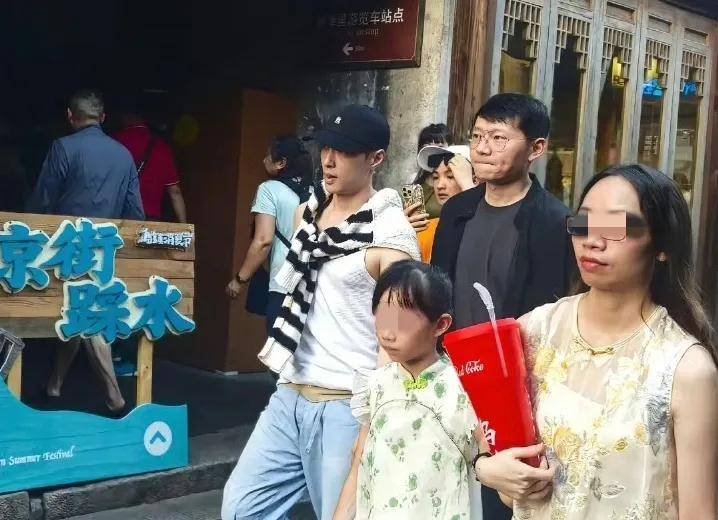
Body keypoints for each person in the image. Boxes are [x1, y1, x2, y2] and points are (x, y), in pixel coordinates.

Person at [474, 164, 718, 519]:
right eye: (583, 223)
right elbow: (490, 445)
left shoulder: (685, 367)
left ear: (662, 246)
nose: (592, 240)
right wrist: (487, 468)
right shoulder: (534, 331)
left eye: (616, 227)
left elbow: (699, 512)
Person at [221, 105, 420, 520]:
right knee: (242, 508)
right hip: (290, 392)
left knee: (342, 514)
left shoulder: (390, 236)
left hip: (346, 405)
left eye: (343, 151)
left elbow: (397, 341)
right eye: (326, 148)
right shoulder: (306, 216)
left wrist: (372, 423)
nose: (329, 160)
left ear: (376, 158)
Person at [431, 93, 574, 519]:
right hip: (451, 377)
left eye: (498, 137)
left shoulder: (555, 221)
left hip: (514, 387)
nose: (483, 148)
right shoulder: (457, 211)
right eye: (477, 137)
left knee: (501, 500)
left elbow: (555, 310)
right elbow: (437, 289)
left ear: (536, 148)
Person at [26, 89, 144, 414]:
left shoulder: (63, 148)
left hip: (68, 249)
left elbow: (43, 200)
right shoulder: (123, 155)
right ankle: (55, 384)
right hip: (107, 249)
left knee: (86, 316)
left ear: (70, 116)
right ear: (103, 118)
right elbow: (135, 212)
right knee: (78, 314)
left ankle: (115, 398)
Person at [333, 260, 480, 519]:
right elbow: (360, 460)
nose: (388, 333)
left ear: (440, 325)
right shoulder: (376, 386)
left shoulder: (464, 388)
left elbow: (490, 459)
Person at [225, 135, 313, 333]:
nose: (264, 160)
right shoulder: (316, 191)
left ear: (281, 163)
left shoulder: (269, 190)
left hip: (284, 280)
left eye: (268, 156)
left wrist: (239, 280)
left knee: (280, 346)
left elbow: (263, 241)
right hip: (312, 284)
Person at [113, 103, 187, 223]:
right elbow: (175, 192)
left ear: (125, 116)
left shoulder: (114, 141)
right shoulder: (162, 147)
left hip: (118, 217)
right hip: (150, 219)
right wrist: (184, 226)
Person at [406, 144, 474, 262]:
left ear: (474, 179)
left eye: (450, 176)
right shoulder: (427, 229)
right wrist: (403, 232)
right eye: (435, 177)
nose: (440, 185)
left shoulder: (480, 226)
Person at [411, 123, 452, 219]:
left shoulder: (457, 180)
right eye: (427, 147)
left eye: (439, 147)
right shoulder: (415, 180)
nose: (433, 152)